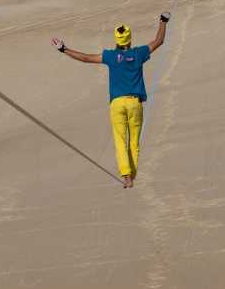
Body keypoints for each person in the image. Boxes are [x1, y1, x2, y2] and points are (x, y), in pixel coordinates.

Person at [51, 13, 170, 188]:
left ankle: (127, 176)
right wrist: (163, 22)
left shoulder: (110, 56)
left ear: (117, 40)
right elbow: (159, 41)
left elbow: (85, 58)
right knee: (134, 142)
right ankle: (132, 176)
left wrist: (64, 49)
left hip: (117, 104)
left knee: (120, 140)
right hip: (134, 103)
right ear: (129, 39)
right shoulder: (138, 53)